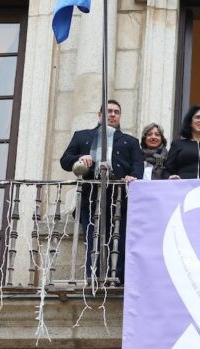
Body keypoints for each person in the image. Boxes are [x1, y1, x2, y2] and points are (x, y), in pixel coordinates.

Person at [59, 99, 143, 282]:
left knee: (119, 240)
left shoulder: (131, 141)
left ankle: (117, 280)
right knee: (93, 239)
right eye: (108, 111)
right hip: (90, 196)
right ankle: (94, 280)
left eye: (116, 112)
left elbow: (138, 167)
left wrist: (133, 176)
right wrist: (81, 157)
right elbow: (65, 161)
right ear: (100, 115)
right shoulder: (82, 136)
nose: (112, 115)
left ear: (119, 116)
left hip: (119, 198)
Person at [164, 105, 200, 179]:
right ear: (190, 121)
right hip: (183, 185)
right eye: (198, 117)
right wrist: (170, 177)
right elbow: (167, 171)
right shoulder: (177, 144)